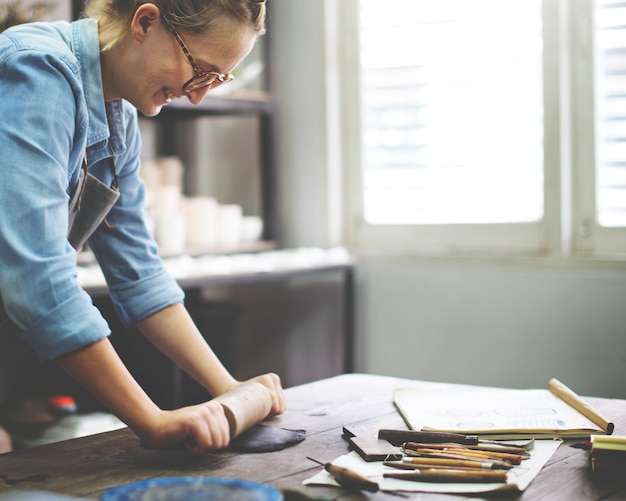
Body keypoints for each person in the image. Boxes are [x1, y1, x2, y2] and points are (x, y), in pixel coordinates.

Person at [0, 0, 285, 454]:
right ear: (145, 22)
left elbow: (139, 273)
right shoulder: (39, 70)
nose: (198, 95)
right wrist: (151, 420)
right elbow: (36, 281)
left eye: (217, 79)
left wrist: (229, 387)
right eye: (199, 70)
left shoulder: (119, 116)